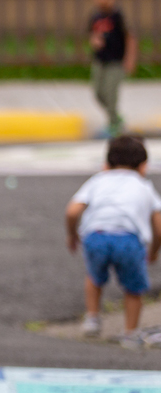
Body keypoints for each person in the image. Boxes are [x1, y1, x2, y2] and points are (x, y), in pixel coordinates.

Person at [65, 135, 161, 349]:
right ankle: (130, 333)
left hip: (96, 236)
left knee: (94, 277)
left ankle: (92, 319)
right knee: (133, 288)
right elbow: (158, 225)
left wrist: (72, 234)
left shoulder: (98, 180)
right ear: (143, 166)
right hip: (129, 240)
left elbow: (72, 211)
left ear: (106, 164)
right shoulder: (144, 186)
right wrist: (154, 251)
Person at [88, 0, 137, 137]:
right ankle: (115, 117)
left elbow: (130, 38)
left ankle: (113, 124)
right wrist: (94, 41)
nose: (104, 0)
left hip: (115, 62)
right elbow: (92, 35)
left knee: (111, 93)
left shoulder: (118, 17)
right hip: (100, 61)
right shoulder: (95, 17)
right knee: (98, 93)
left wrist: (129, 59)